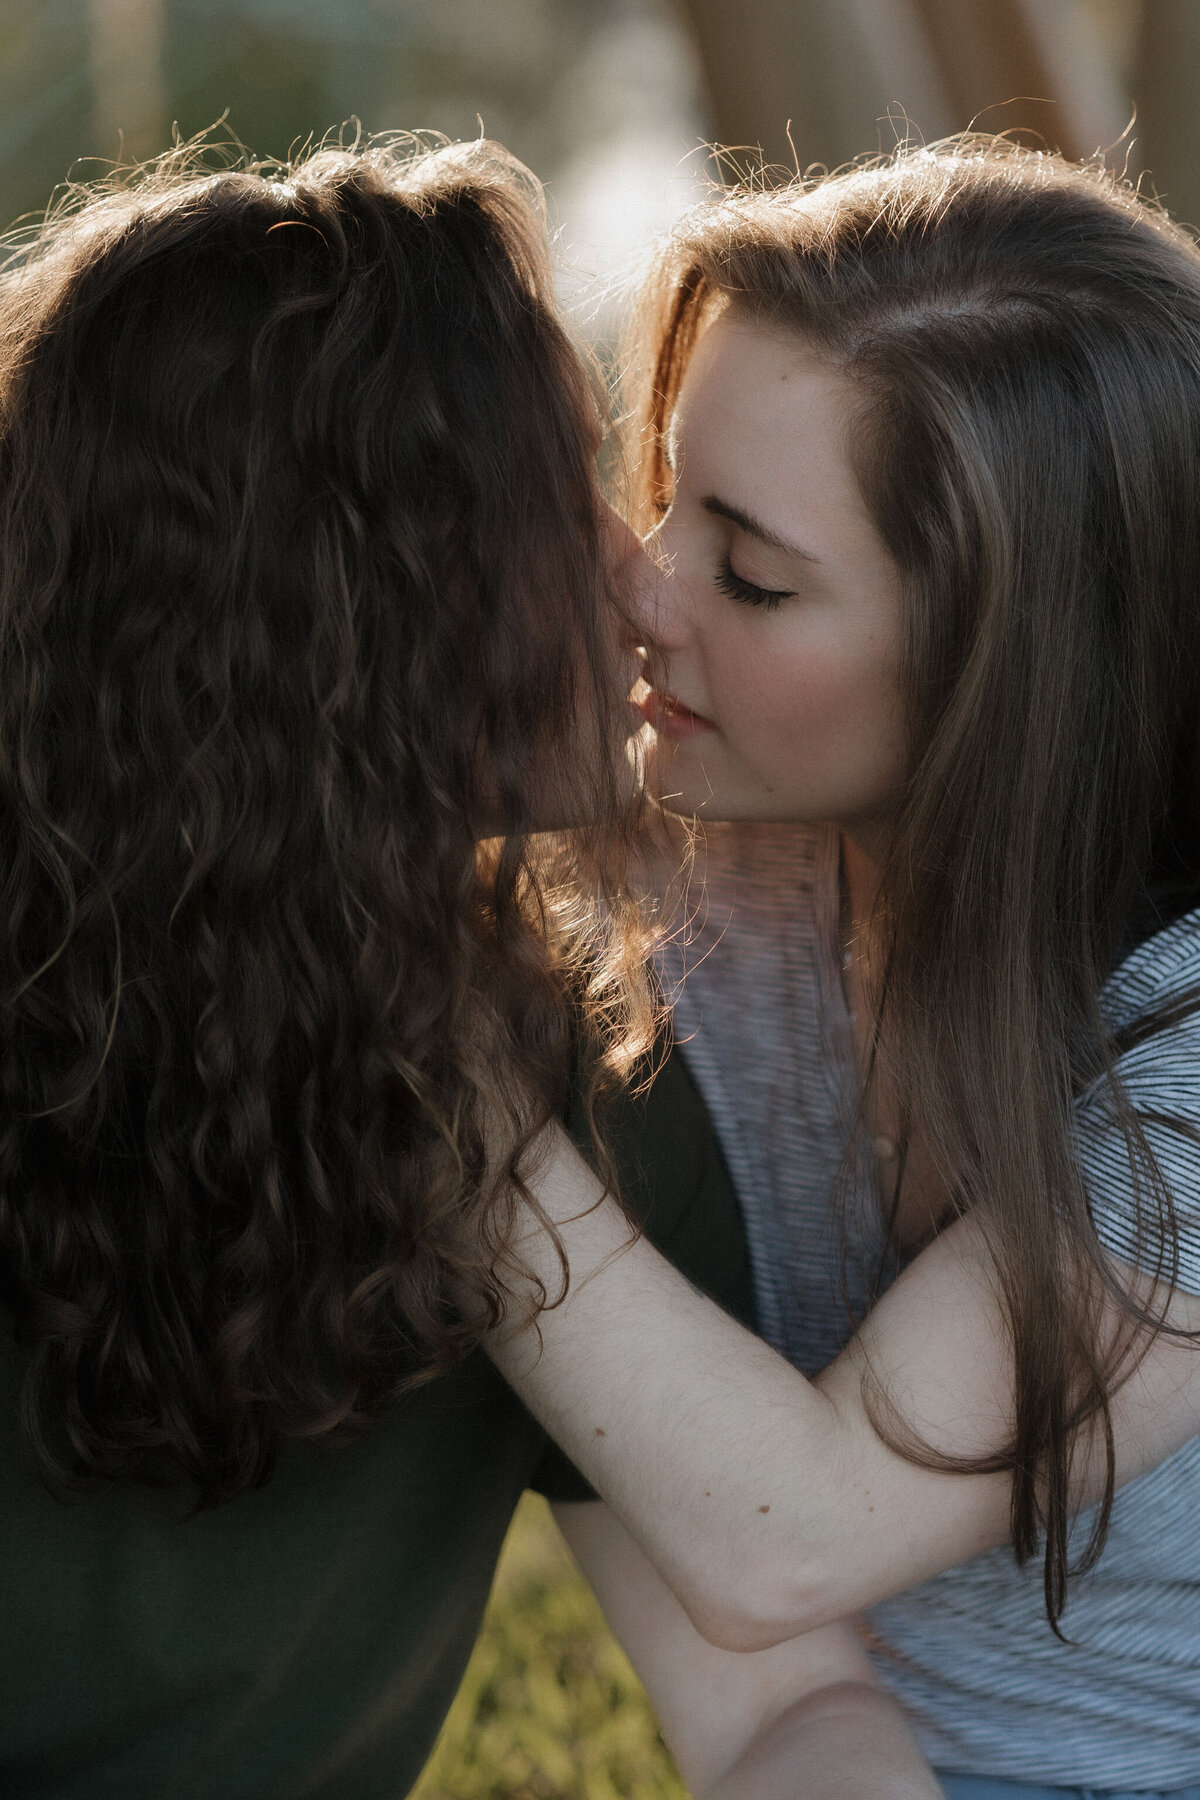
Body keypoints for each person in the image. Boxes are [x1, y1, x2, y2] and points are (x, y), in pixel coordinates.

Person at [0, 135, 944, 1800]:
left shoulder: (573, 1059)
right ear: (322, 599)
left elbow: (780, 1699)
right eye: (550, 497)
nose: (636, 572)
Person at [480, 140, 1200, 1799]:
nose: (642, 592)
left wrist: (430, 1070)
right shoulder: (686, 883)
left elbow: (789, 1536)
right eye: (666, 491)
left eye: (751, 572)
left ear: (1011, 675)